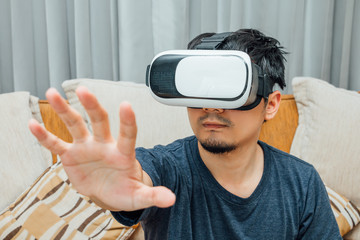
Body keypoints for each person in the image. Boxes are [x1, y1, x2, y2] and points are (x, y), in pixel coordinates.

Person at [29, 29, 341, 239]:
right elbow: (138, 179)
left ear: (270, 105)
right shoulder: (166, 169)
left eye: (231, 90)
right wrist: (119, 188)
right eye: (201, 89)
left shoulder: (301, 183)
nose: (211, 107)